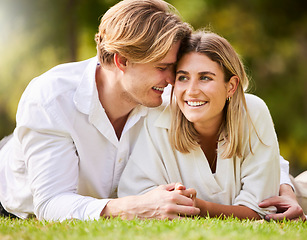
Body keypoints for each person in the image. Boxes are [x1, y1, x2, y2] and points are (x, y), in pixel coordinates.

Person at [0, 0, 200, 221]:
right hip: (13, 200)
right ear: (122, 60)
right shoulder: (51, 99)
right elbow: (50, 203)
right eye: (162, 67)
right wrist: (136, 207)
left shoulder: (165, 97)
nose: (171, 80)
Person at [118, 30, 285, 220]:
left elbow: (261, 210)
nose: (191, 91)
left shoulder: (253, 112)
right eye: (183, 77)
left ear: (230, 86)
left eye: (205, 77)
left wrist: (197, 206)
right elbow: (137, 199)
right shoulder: (158, 117)